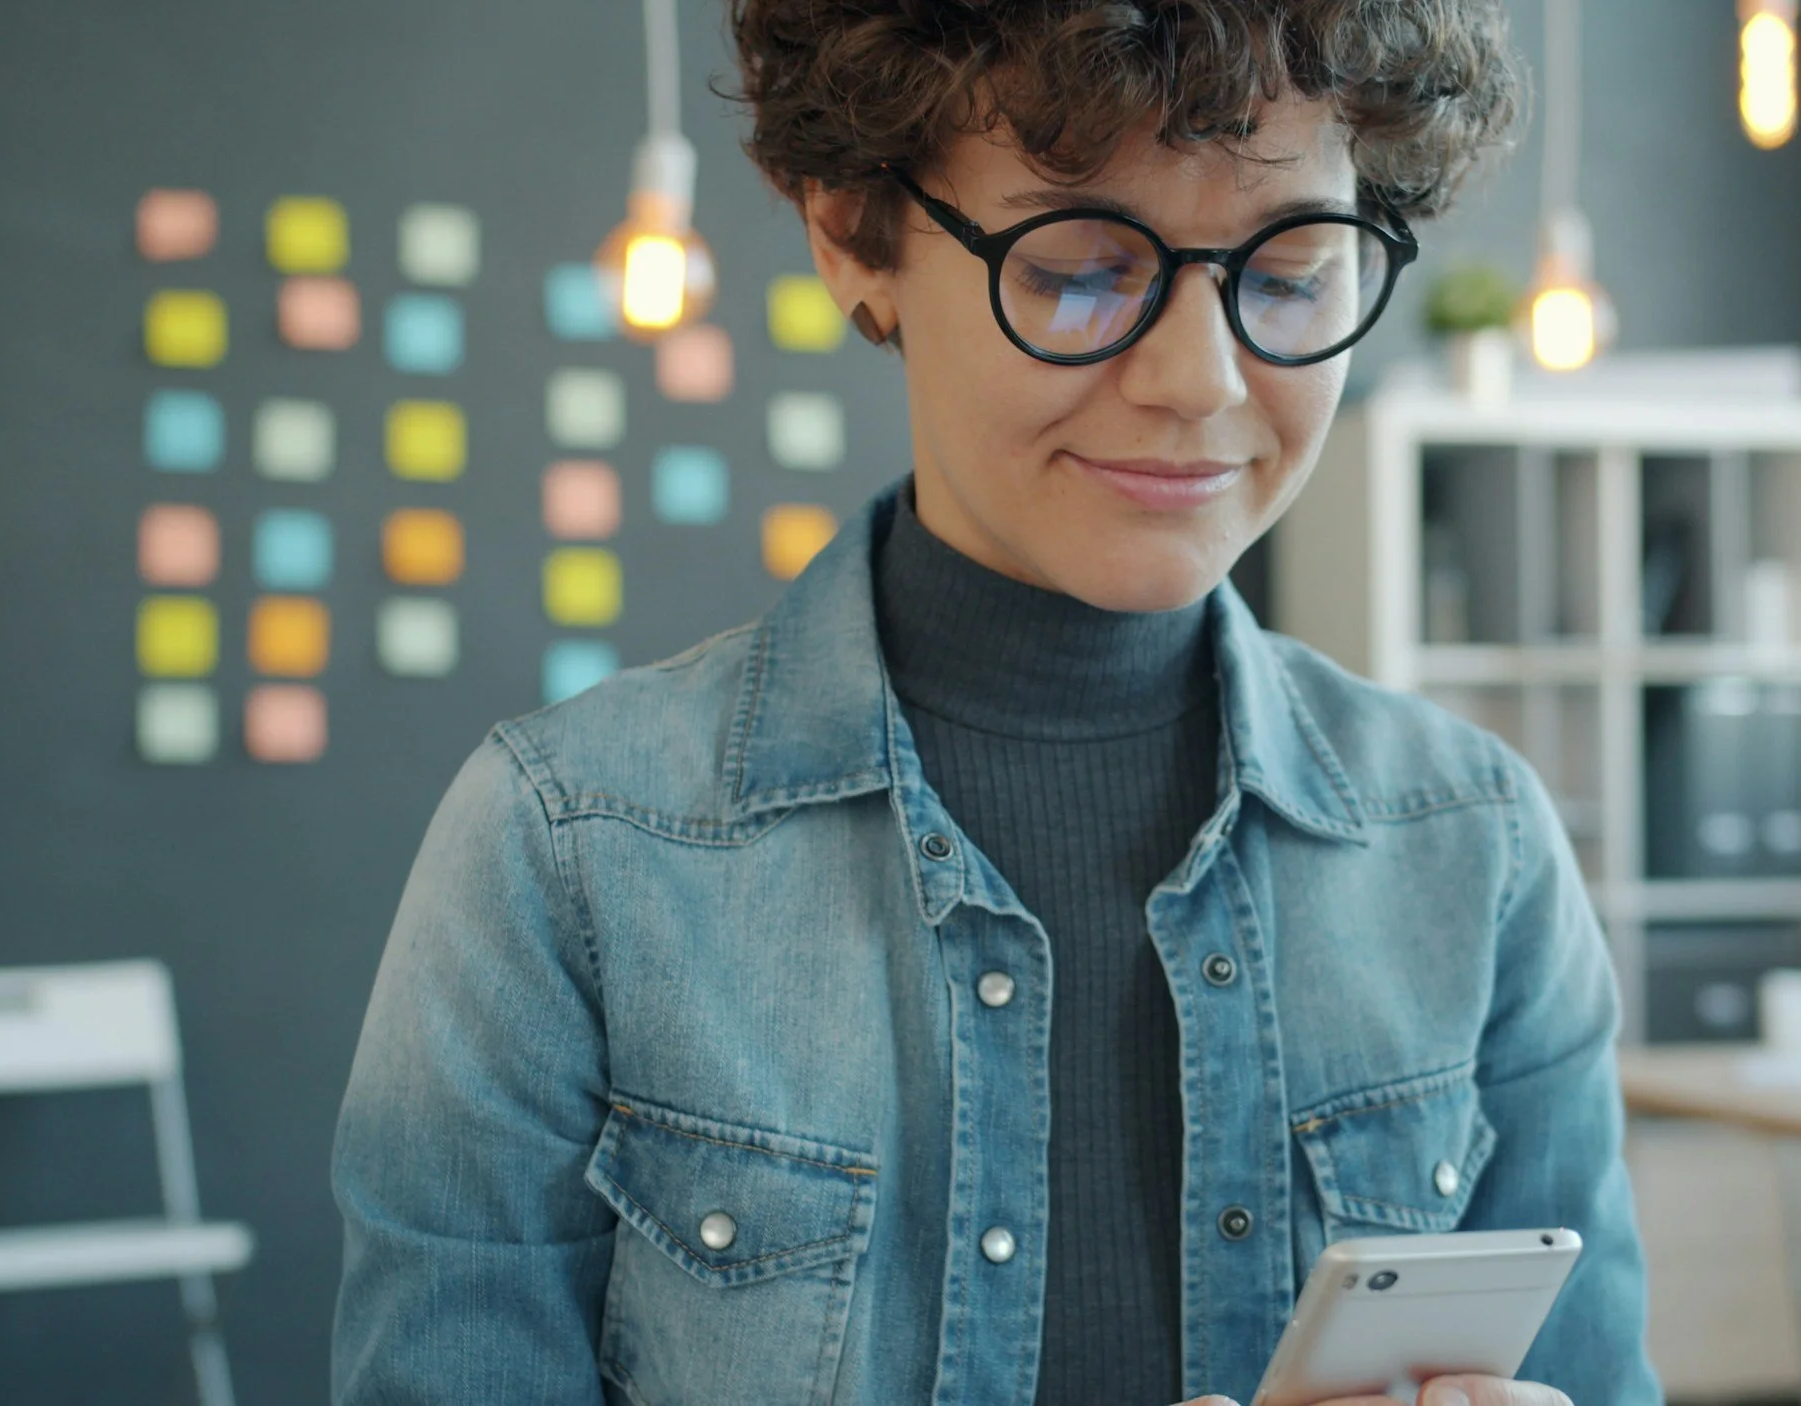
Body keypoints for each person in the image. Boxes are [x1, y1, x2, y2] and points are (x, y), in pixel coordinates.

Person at [331, 1, 1660, 1403]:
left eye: (1290, 271)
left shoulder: (1476, 848)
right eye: (1083, 266)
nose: (1199, 381)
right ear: (856, 234)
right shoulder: (570, 850)